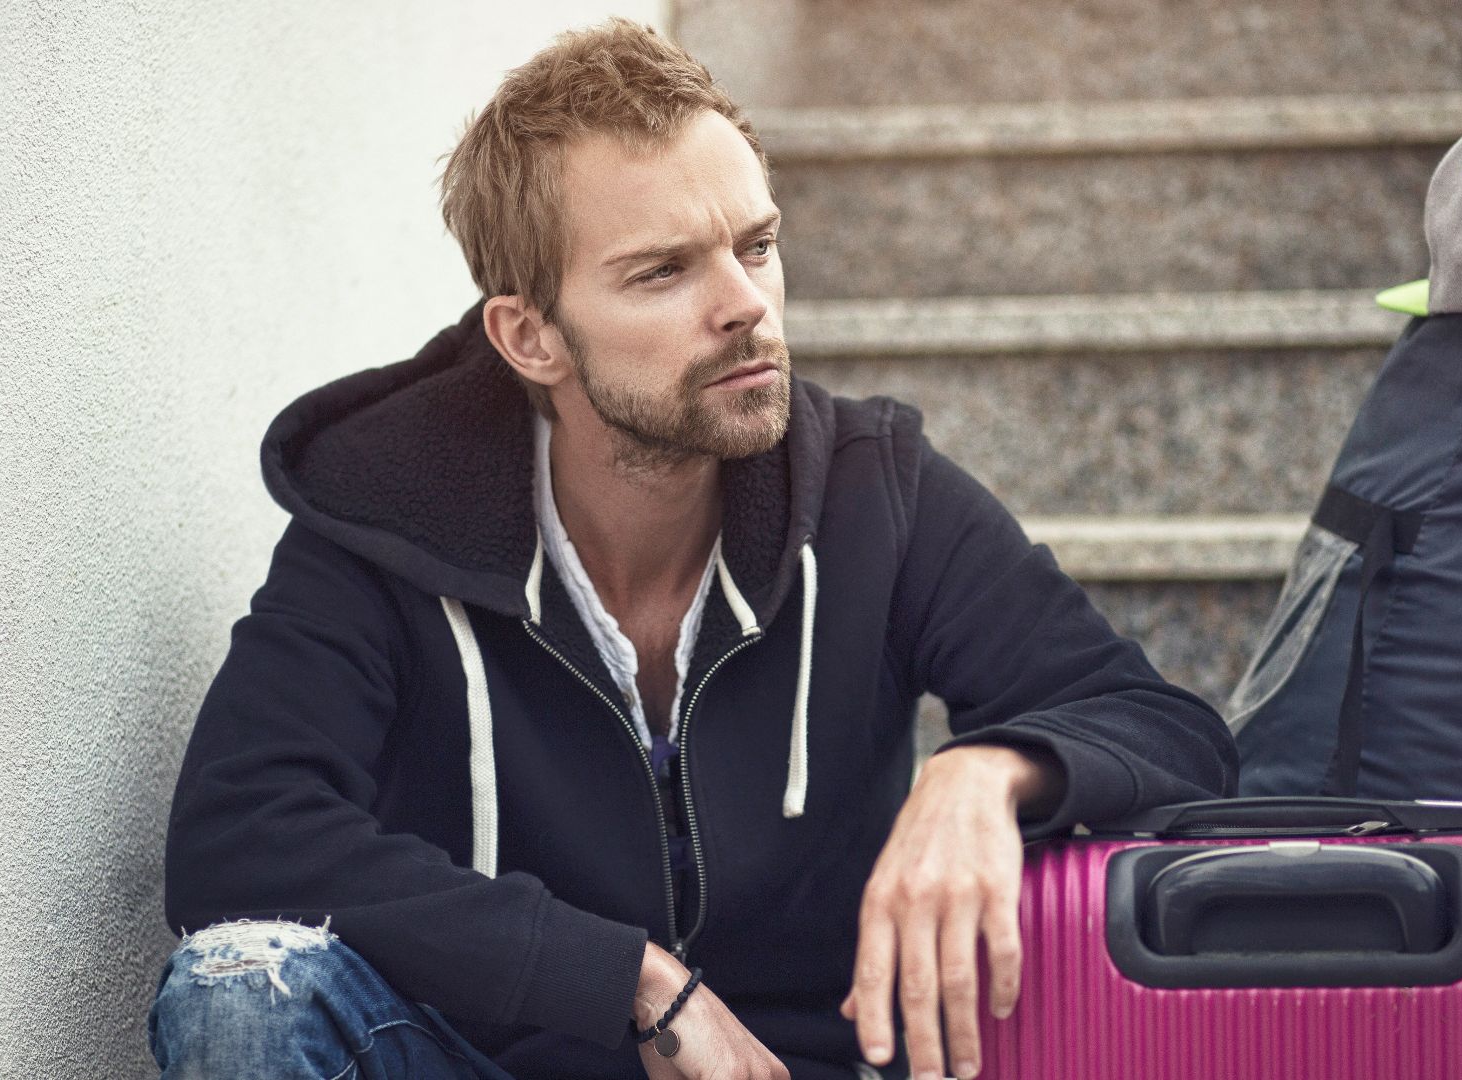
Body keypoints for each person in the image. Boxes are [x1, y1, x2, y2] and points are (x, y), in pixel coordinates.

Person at [148, 19, 1235, 1080]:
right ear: (530, 336)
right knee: (240, 985)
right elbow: (240, 837)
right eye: (663, 271)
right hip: (495, 1056)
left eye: (756, 246)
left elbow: (1168, 731)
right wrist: (625, 979)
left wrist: (988, 770)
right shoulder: (384, 517)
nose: (744, 306)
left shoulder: (872, 493)